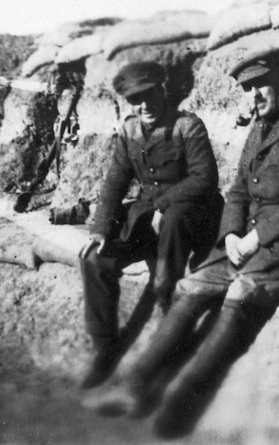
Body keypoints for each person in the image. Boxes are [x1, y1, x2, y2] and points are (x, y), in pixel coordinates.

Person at [93, 47, 279, 437]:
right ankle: (136, 384)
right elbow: (240, 189)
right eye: (247, 89)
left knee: (239, 297)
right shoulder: (259, 128)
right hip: (248, 238)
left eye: (261, 85)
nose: (254, 96)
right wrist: (230, 235)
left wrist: (254, 238)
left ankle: (182, 402)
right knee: (191, 287)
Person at [78, 61, 222, 389]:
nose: (144, 105)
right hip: (152, 218)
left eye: (149, 95)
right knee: (94, 259)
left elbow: (205, 179)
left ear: (163, 90)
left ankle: (171, 319)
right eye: (135, 100)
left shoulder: (188, 125)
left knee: (171, 225)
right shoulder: (129, 131)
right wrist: (100, 229)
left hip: (192, 216)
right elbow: (115, 182)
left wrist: (162, 205)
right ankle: (105, 348)